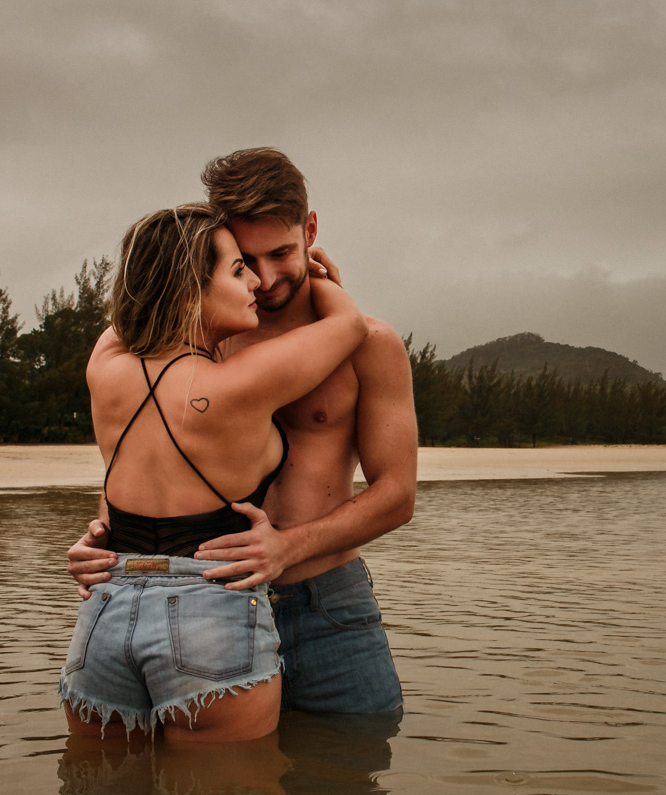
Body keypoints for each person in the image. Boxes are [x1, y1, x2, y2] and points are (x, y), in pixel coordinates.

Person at [67, 148, 418, 715]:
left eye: (281, 253)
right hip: (200, 602)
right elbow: (147, 453)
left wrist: (286, 547)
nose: (265, 277)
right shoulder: (203, 343)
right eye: (245, 260)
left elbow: (397, 496)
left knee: (349, 771)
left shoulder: (368, 344)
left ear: (309, 231)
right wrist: (107, 535)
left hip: (323, 604)